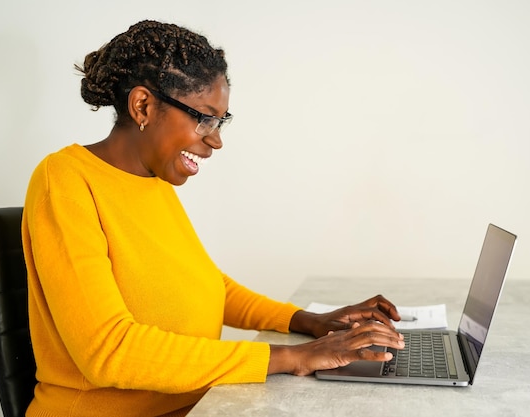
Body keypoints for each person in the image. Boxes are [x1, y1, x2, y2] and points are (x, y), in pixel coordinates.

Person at [21, 20, 404, 417]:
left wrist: (310, 322)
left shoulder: (154, 180)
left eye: (221, 121)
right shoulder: (65, 181)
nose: (216, 139)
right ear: (143, 106)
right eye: (203, 118)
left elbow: (208, 286)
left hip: (196, 404)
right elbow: (109, 351)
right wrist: (295, 358)